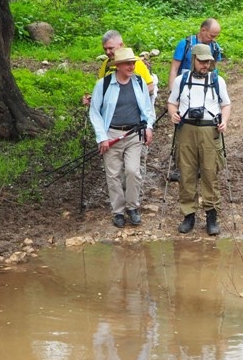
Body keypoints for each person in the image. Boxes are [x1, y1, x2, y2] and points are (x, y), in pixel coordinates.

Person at [167, 44, 231, 236]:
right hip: (186, 129)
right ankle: (189, 215)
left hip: (209, 130)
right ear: (194, 59)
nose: (205, 64)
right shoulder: (182, 80)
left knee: (210, 173)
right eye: (202, 61)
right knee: (186, 173)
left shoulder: (217, 80)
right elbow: (172, 102)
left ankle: (212, 217)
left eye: (208, 61)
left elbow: (226, 104)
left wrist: (224, 122)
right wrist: (173, 114)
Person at [89, 48, 156, 228]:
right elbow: (94, 112)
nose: (132, 66)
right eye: (128, 63)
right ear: (117, 65)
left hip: (134, 135)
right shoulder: (103, 85)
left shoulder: (139, 82)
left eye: (133, 63)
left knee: (133, 171)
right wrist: (101, 138)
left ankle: (132, 207)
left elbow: (147, 109)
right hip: (111, 135)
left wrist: (148, 127)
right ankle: (118, 211)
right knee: (113, 175)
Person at [168, 18, 222, 91]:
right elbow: (174, 69)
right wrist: (172, 91)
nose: (214, 39)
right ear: (203, 30)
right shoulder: (185, 44)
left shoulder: (215, 48)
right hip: (184, 87)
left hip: (205, 88)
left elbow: (213, 70)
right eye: (212, 36)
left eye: (216, 36)